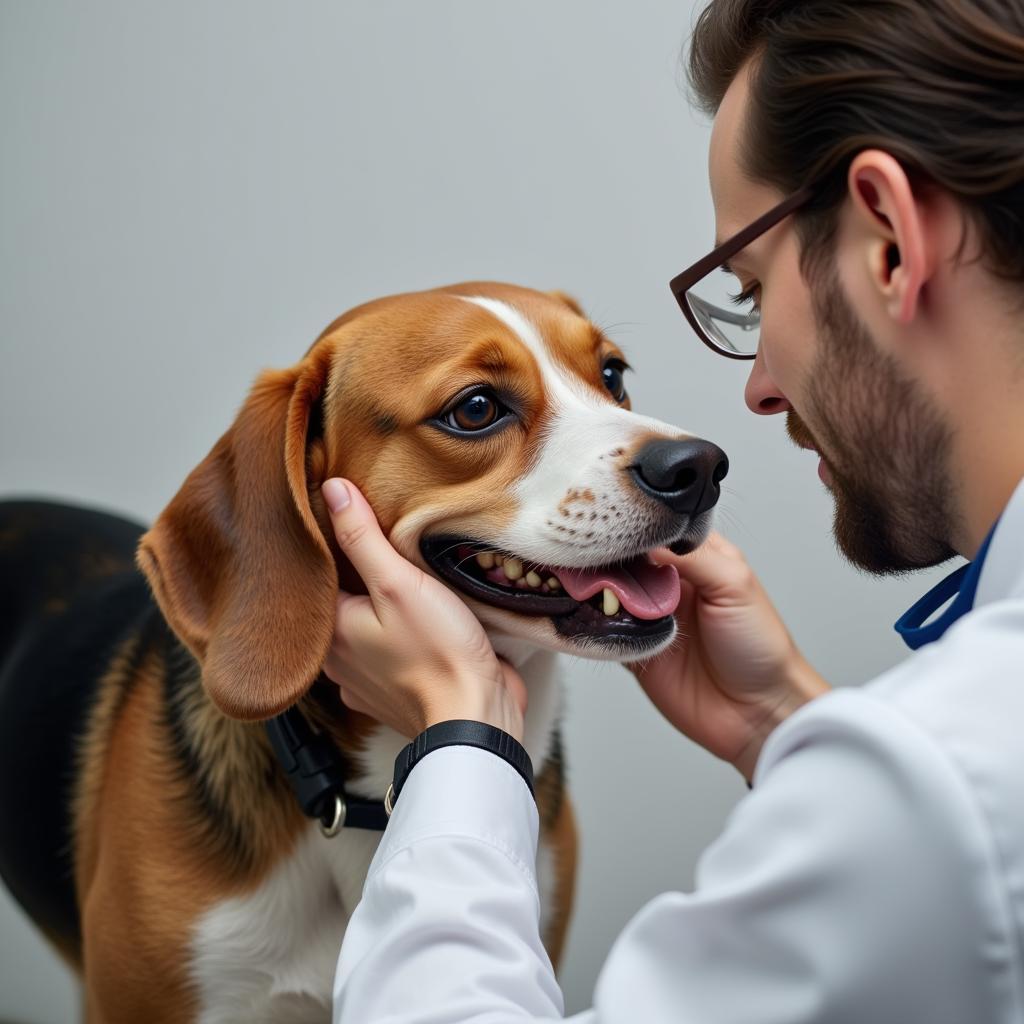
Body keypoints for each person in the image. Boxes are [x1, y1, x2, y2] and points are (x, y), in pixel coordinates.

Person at [322, 1, 1024, 1020]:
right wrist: (777, 718)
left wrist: (463, 738)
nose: (757, 392)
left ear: (886, 241)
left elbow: (947, 829)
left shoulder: (941, 782)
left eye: (747, 287)